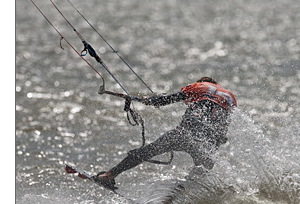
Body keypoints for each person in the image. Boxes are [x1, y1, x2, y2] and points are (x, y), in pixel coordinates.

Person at [94, 77, 237, 189]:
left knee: (146, 151)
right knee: (201, 171)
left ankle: (108, 175)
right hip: (207, 142)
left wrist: (150, 100)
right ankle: (178, 196)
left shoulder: (200, 86)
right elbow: (222, 133)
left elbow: (169, 99)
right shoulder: (230, 98)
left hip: (184, 135)